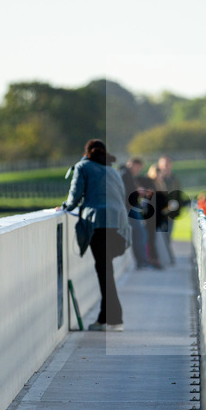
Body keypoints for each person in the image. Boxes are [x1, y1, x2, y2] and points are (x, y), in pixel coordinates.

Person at [60, 140, 131, 332]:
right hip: (119, 224)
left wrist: (65, 207)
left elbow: (74, 196)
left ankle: (114, 319)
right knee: (106, 270)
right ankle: (106, 317)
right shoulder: (112, 170)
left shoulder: (83, 166)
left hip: (98, 223)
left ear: (87, 152)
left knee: (104, 271)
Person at [120, 156, 150, 269]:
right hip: (129, 209)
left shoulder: (127, 174)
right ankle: (141, 262)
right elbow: (124, 192)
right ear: (133, 164)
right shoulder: (124, 174)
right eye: (138, 168)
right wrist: (137, 192)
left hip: (131, 208)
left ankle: (142, 261)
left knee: (140, 234)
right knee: (140, 234)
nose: (139, 171)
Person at [157, 156, 181, 265]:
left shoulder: (174, 179)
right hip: (160, 213)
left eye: (168, 164)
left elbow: (178, 195)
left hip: (171, 213)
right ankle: (168, 258)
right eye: (164, 164)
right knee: (163, 236)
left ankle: (167, 258)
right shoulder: (157, 179)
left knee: (168, 236)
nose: (166, 166)